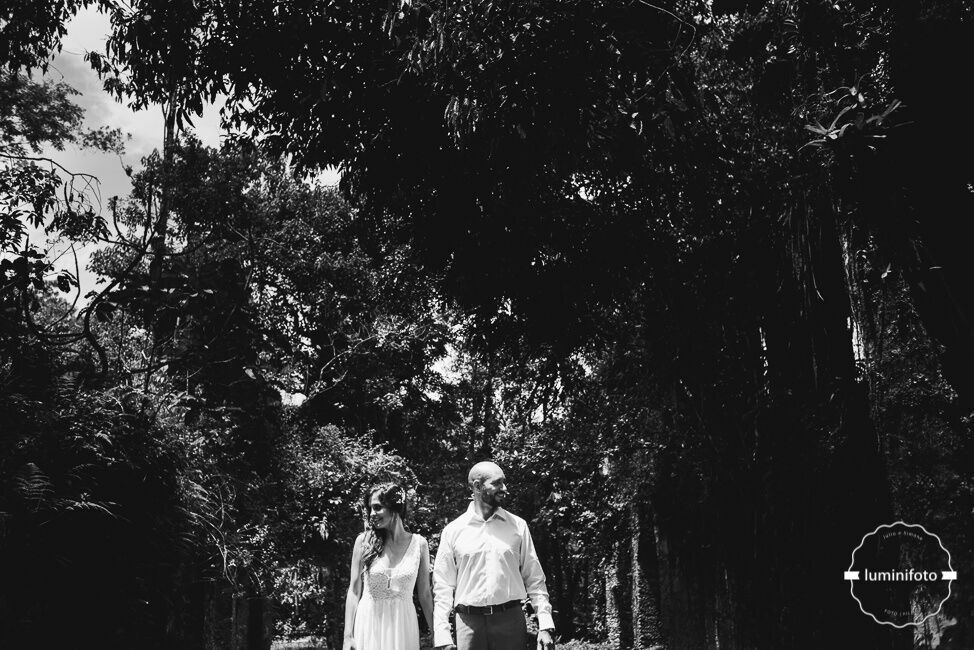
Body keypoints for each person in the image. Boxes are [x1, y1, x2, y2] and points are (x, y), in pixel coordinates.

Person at [433, 461, 556, 650]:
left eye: (504, 483)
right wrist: (442, 635)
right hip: (468, 625)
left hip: (511, 621)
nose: (504, 488)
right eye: (497, 483)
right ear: (477, 486)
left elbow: (535, 578)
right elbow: (443, 586)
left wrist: (545, 624)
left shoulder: (518, 526)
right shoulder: (453, 531)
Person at [343, 482, 434, 650]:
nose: (372, 514)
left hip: (403, 626)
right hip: (369, 625)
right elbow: (354, 591)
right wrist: (348, 636)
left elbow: (425, 594)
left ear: (395, 508)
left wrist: (437, 633)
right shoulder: (363, 542)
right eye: (370, 508)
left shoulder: (419, 544)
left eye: (377, 507)